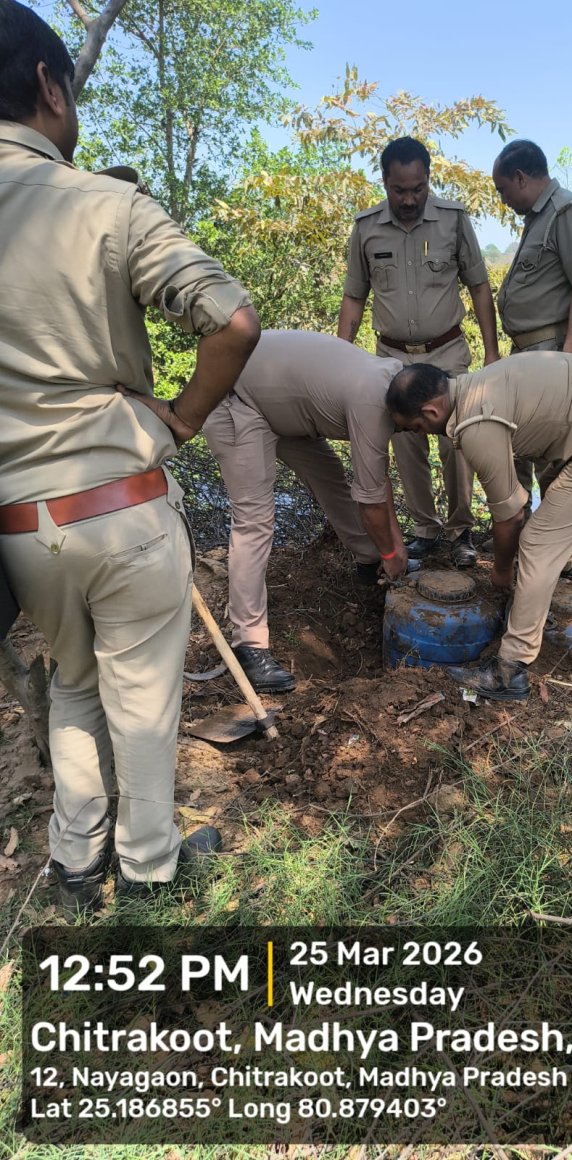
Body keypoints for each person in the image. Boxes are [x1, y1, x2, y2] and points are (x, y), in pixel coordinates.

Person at [0, 1, 260, 914]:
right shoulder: (104, 202)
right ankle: (149, 871)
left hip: (21, 526)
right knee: (142, 700)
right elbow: (233, 322)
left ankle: (76, 864)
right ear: (49, 83)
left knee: (73, 684)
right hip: (119, 500)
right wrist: (179, 424)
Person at [387, 354, 572, 700]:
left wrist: (501, 570)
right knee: (552, 499)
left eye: (416, 429)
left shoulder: (475, 425)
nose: (420, 435)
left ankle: (510, 670)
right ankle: (550, 588)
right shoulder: (474, 386)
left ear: (430, 412)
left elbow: (512, 513)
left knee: (539, 541)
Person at [202, 330, 417, 692]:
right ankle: (249, 644)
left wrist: (392, 550)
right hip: (232, 400)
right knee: (254, 522)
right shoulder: (373, 405)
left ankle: (369, 564)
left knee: (330, 476)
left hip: (279, 407)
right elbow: (371, 499)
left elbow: (377, 481)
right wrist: (393, 552)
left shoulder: (395, 381)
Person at [338, 136, 500, 569]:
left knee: (457, 440)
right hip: (392, 357)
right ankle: (425, 530)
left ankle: (461, 530)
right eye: (399, 190)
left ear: (429, 180)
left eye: (418, 189)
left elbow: (479, 286)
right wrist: (341, 357)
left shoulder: (453, 220)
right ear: (385, 182)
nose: (409, 199)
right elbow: (354, 296)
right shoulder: (366, 228)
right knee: (407, 445)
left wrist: (492, 351)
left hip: (446, 351)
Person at [492, 138, 572, 520]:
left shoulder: (566, 211)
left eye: (503, 189)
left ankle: (559, 550)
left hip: (550, 351)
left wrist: (568, 356)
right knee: (515, 443)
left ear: (520, 178)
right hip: (525, 354)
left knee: (552, 454)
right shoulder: (538, 217)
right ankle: (518, 531)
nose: (502, 199)